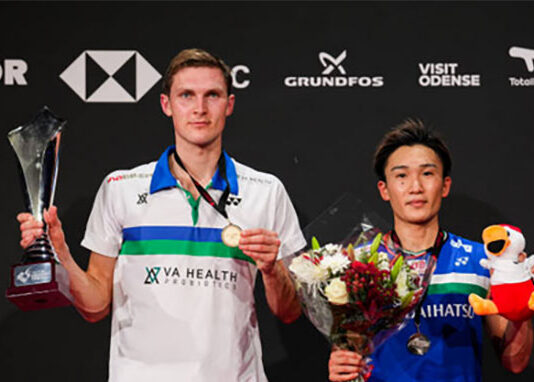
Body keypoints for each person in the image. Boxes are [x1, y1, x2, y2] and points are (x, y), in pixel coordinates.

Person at [17, 48, 306, 381]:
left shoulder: (265, 191)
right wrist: (62, 256)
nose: (199, 109)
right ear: (167, 105)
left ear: (229, 104)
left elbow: (289, 311)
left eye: (212, 95)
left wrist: (271, 270)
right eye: (187, 95)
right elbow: (96, 305)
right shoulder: (120, 187)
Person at [328, 120, 533, 382]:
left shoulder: (483, 260)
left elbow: (515, 362)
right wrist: (341, 365)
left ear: (445, 185)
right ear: (385, 189)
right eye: (401, 176)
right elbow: (346, 354)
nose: (415, 187)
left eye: (427, 173)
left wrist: (521, 307)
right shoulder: (359, 264)